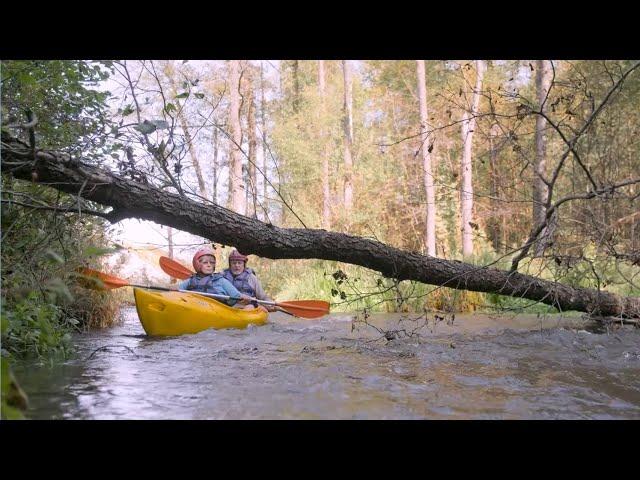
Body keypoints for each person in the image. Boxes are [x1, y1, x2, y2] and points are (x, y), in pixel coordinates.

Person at [174, 247, 253, 308]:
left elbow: (236, 295)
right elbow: (177, 290)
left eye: (211, 263)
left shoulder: (220, 280)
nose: (209, 265)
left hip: (217, 309)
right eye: (205, 262)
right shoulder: (191, 280)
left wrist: (244, 298)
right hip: (195, 306)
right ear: (197, 264)